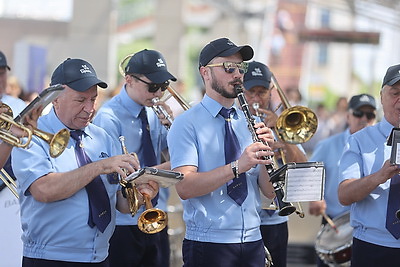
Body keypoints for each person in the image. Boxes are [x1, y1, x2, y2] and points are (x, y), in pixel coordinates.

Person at [11, 58, 159, 266]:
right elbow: (44, 190)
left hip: (100, 257)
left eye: (93, 99)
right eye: (81, 100)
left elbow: (120, 205)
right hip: (50, 258)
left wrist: (142, 193)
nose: (90, 108)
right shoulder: (31, 135)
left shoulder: (103, 137)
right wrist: (100, 167)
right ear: (55, 99)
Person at [168, 37, 277, 266]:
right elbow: (185, 187)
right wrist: (238, 166)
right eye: (228, 67)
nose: (237, 74)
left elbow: (268, 191)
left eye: (241, 67)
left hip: (253, 239)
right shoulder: (186, 123)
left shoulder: (252, 122)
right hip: (209, 243)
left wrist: (270, 155)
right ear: (205, 72)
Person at [93, 49, 175, 267]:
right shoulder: (109, 117)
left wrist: (174, 128)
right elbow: (109, 175)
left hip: (157, 215)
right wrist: (163, 170)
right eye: (153, 86)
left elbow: (170, 151)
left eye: (163, 86)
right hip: (123, 223)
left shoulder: (154, 111)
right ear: (129, 79)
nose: (158, 93)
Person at [243, 61, 307, 267]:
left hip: (275, 218)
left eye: (261, 92)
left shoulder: (281, 124)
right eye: (250, 92)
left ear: (271, 92)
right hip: (242, 221)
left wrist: (279, 133)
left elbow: (302, 163)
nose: (256, 98)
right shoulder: (232, 122)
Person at [338, 64, 400, 267]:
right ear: (382, 97)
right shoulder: (360, 140)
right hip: (372, 245)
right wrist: (379, 176)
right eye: (395, 93)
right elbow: (344, 195)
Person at [309, 93, 377, 267]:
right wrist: (315, 197)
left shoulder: (384, 147)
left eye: (369, 115)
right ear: (348, 116)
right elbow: (309, 175)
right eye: (358, 113)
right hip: (335, 225)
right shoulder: (327, 145)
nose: (364, 119)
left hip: (372, 227)